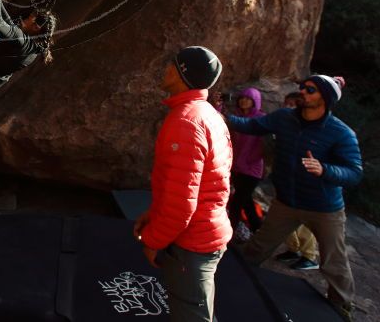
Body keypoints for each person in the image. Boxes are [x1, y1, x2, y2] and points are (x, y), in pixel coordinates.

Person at [225, 75, 362, 321]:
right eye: (302, 87)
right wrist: (220, 116)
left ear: (325, 98)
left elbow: (354, 172)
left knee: (334, 262)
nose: (302, 92)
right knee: (257, 247)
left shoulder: (341, 133)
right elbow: (252, 126)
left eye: (310, 90)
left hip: (324, 208)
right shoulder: (284, 118)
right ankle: (232, 283)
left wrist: (326, 170)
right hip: (286, 202)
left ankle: (341, 308)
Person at [134, 46, 232, 322]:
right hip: (205, 231)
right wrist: (154, 216)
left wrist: (154, 240)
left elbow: (181, 204)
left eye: (172, 64)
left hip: (192, 243)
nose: (166, 68)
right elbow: (193, 186)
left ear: (181, 73)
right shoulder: (208, 114)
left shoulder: (186, 122)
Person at [276, 91, 320, 271]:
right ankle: (293, 249)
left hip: (307, 184)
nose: (288, 108)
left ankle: (309, 256)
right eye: (286, 104)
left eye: (292, 105)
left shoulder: (313, 128)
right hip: (287, 180)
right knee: (285, 221)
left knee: (304, 223)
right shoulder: (288, 125)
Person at [227, 87, 266, 235]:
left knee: (237, 201)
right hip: (236, 167)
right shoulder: (236, 118)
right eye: (242, 98)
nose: (244, 101)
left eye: (248, 99)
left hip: (251, 169)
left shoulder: (261, 119)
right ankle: (257, 227)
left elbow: (262, 146)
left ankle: (228, 233)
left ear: (255, 101)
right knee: (246, 201)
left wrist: (249, 161)